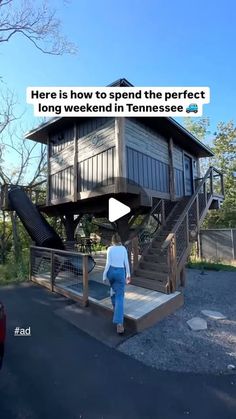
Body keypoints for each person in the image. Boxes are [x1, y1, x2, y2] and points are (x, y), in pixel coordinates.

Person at [103, 233, 131, 334]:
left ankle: (115, 308)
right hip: (120, 272)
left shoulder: (109, 249)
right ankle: (119, 324)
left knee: (113, 289)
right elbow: (126, 263)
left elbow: (107, 263)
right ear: (119, 240)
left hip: (111, 272)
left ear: (112, 241)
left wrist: (104, 275)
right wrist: (128, 274)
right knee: (120, 296)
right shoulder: (123, 249)